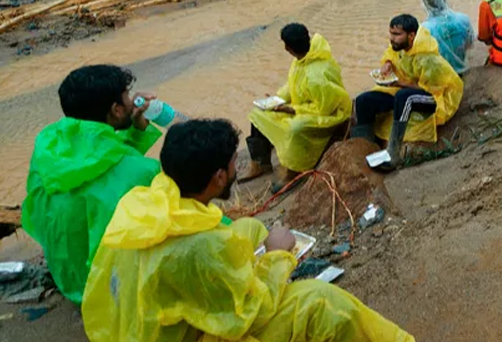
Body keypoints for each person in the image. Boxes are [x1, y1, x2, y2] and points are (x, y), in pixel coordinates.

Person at [81, 119, 414, 342]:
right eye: (232, 164)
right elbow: (246, 314)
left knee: (249, 228)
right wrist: (277, 257)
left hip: (140, 325)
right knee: (320, 301)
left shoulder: (145, 201)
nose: (235, 168)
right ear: (218, 178)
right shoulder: (199, 247)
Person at [21, 65, 162, 304]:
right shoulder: (142, 172)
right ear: (117, 110)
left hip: (69, 279)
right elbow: (119, 173)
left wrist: (137, 132)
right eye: (127, 97)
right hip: (106, 294)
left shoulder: (49, 145)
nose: (131, 102)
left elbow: (100, 166)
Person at [243, 23, 351, 184]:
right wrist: (276, 99)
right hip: (306, 107)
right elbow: (293, 84)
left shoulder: (317, 75)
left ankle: (294, 169)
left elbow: (324, 109)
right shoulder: (302, 59)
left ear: (288, 48)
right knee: (258, 113)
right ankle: (260, 163)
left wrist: (292, 109)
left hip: (330, 115)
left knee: (296, 128)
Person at [352, 15, 464, 167]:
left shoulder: (428, 59)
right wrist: (387, 64)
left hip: (436, 98)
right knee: (363, 100)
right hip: (408, 88)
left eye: (397, 35)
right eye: (391, 33)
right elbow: (390, 54)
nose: (392, 39)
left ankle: (394, 152)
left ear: (411, 35)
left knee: (404, 97)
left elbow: (431, 89)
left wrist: (398, 83)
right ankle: (363, 146)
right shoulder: (401, 48)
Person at [421, 0, 474, 75]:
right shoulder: (463, 19)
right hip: (461, 68)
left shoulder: (425, 28)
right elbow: (469, 43)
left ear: (427, 5)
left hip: (440, 74)